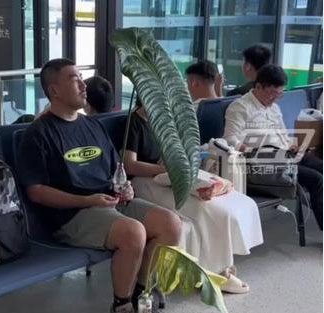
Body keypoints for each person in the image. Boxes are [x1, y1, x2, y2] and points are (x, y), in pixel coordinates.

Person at [17, 58, 181, 313]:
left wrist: (125, 186)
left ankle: (141, 288)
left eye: (82, 78)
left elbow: (116, 168)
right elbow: (36, 192)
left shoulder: (92, 125)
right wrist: (87, 200)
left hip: (110, 201)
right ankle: (122, 304)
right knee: (133, 232)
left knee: (170, 224)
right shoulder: (38, 133)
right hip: (72, 214)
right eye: (75, 79)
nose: (84, 85)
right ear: (54, 91)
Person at [124, 97, 263, 294]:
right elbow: (129, 165)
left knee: (222, 203)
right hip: (144, 181)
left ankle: (220, 269)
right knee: (205, 209)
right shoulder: (133, 123)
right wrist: (164, 168)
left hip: (170, 176)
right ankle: (219, 274)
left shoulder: (163, 121)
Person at [224, 64, 323, 230]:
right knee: (317, 180)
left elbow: (283, 134)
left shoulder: (274, 107)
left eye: (279, 94)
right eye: (272, 93)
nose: (275, 99)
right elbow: (229, 139)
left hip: (286, 155)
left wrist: (292, 145)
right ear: (258, 86)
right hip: (264, 162)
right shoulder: (240, 107)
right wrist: (251, 150)